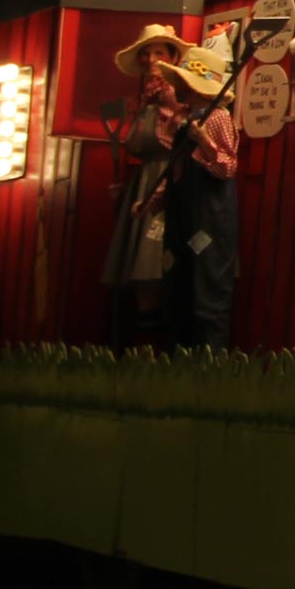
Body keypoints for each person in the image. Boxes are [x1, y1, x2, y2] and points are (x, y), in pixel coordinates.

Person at [102, 22, 188, 346]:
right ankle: (144, 348)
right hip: (144, 181)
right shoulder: (144, 98)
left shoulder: (174, 92)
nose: (152, 60)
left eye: (159, 53)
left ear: (172, 56)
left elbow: (183, 137)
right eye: (146, 54)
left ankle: (163, 347)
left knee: (156, 264)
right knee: (140, 270)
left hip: (167, 178)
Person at [159, 40, 243, 348]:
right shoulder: (185, 123)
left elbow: (228, 167)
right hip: (183, 214)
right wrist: (154, 200)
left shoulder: (217, 117)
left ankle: (209, 359)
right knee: (178, 284)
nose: (178, 88)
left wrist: (206, 143)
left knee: (208, 287)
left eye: (183, 82)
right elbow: (175, 174)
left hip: (209, 217)